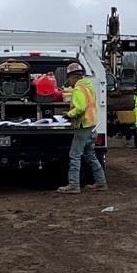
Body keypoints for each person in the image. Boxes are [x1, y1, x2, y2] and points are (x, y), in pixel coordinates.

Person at [56, 61, 106, 193]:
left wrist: (69, 115)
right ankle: (101, 182)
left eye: (69, 78)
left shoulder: (78, 89)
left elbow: (80, 108)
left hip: (83, 125)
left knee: (75, 155)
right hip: (92, 125)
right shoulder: (88, 87)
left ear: (73, 77)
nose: (69, 82)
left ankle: (73, 185)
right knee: (90, 154)